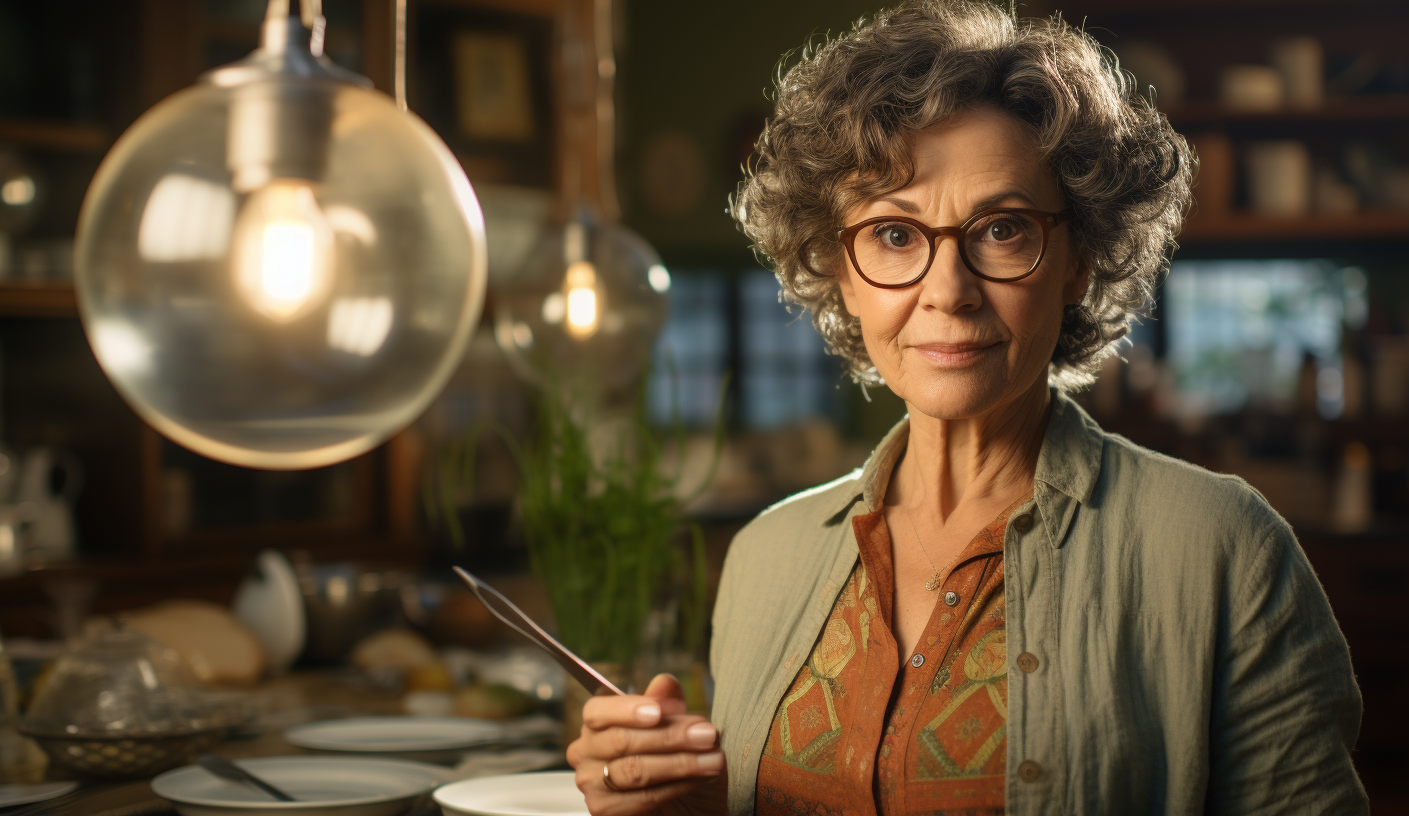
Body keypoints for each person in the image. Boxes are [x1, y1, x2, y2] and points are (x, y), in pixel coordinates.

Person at [566, 2, 1367, 814]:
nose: (947, 292)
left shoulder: (1221, 549)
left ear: (1078, 260)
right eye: (893, 235)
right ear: (836, 268)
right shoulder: (763, 559)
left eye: (1003, 229)